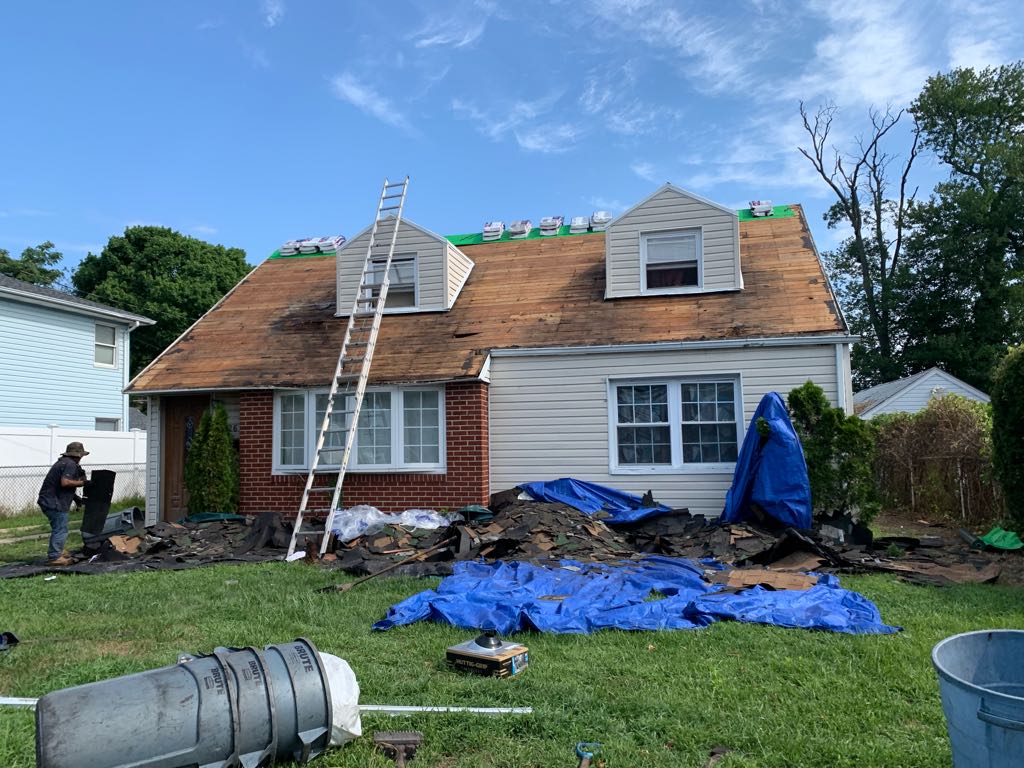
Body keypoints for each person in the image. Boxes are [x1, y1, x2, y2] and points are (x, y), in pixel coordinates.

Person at [37, 442, 88, 565]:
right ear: (78, 455)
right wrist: (84, 483)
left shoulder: (63, 462)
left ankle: (58, 551)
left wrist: (75, 498)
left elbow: (60, 486)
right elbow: (65, 482)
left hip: (48, 500)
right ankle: (54, 557)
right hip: (54, 502)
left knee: (59, 528)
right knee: (60, 529)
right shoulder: (70, 464)